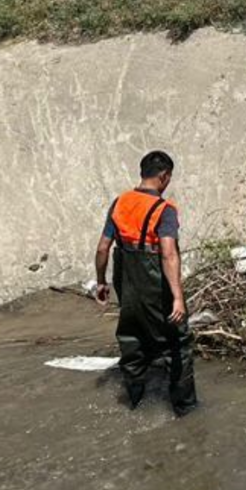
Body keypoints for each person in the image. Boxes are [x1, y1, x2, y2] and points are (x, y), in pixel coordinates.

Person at [93, 150, 197, 416]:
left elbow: (103, 248)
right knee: (178, 342)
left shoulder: (119, 203)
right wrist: (177, 297)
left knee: (132, 338)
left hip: (126, 282)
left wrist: (101, 282)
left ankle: (136, 401)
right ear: (164, 176)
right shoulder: (165, 210)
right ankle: (186, 411)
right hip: (153, 283)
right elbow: (168, 253)